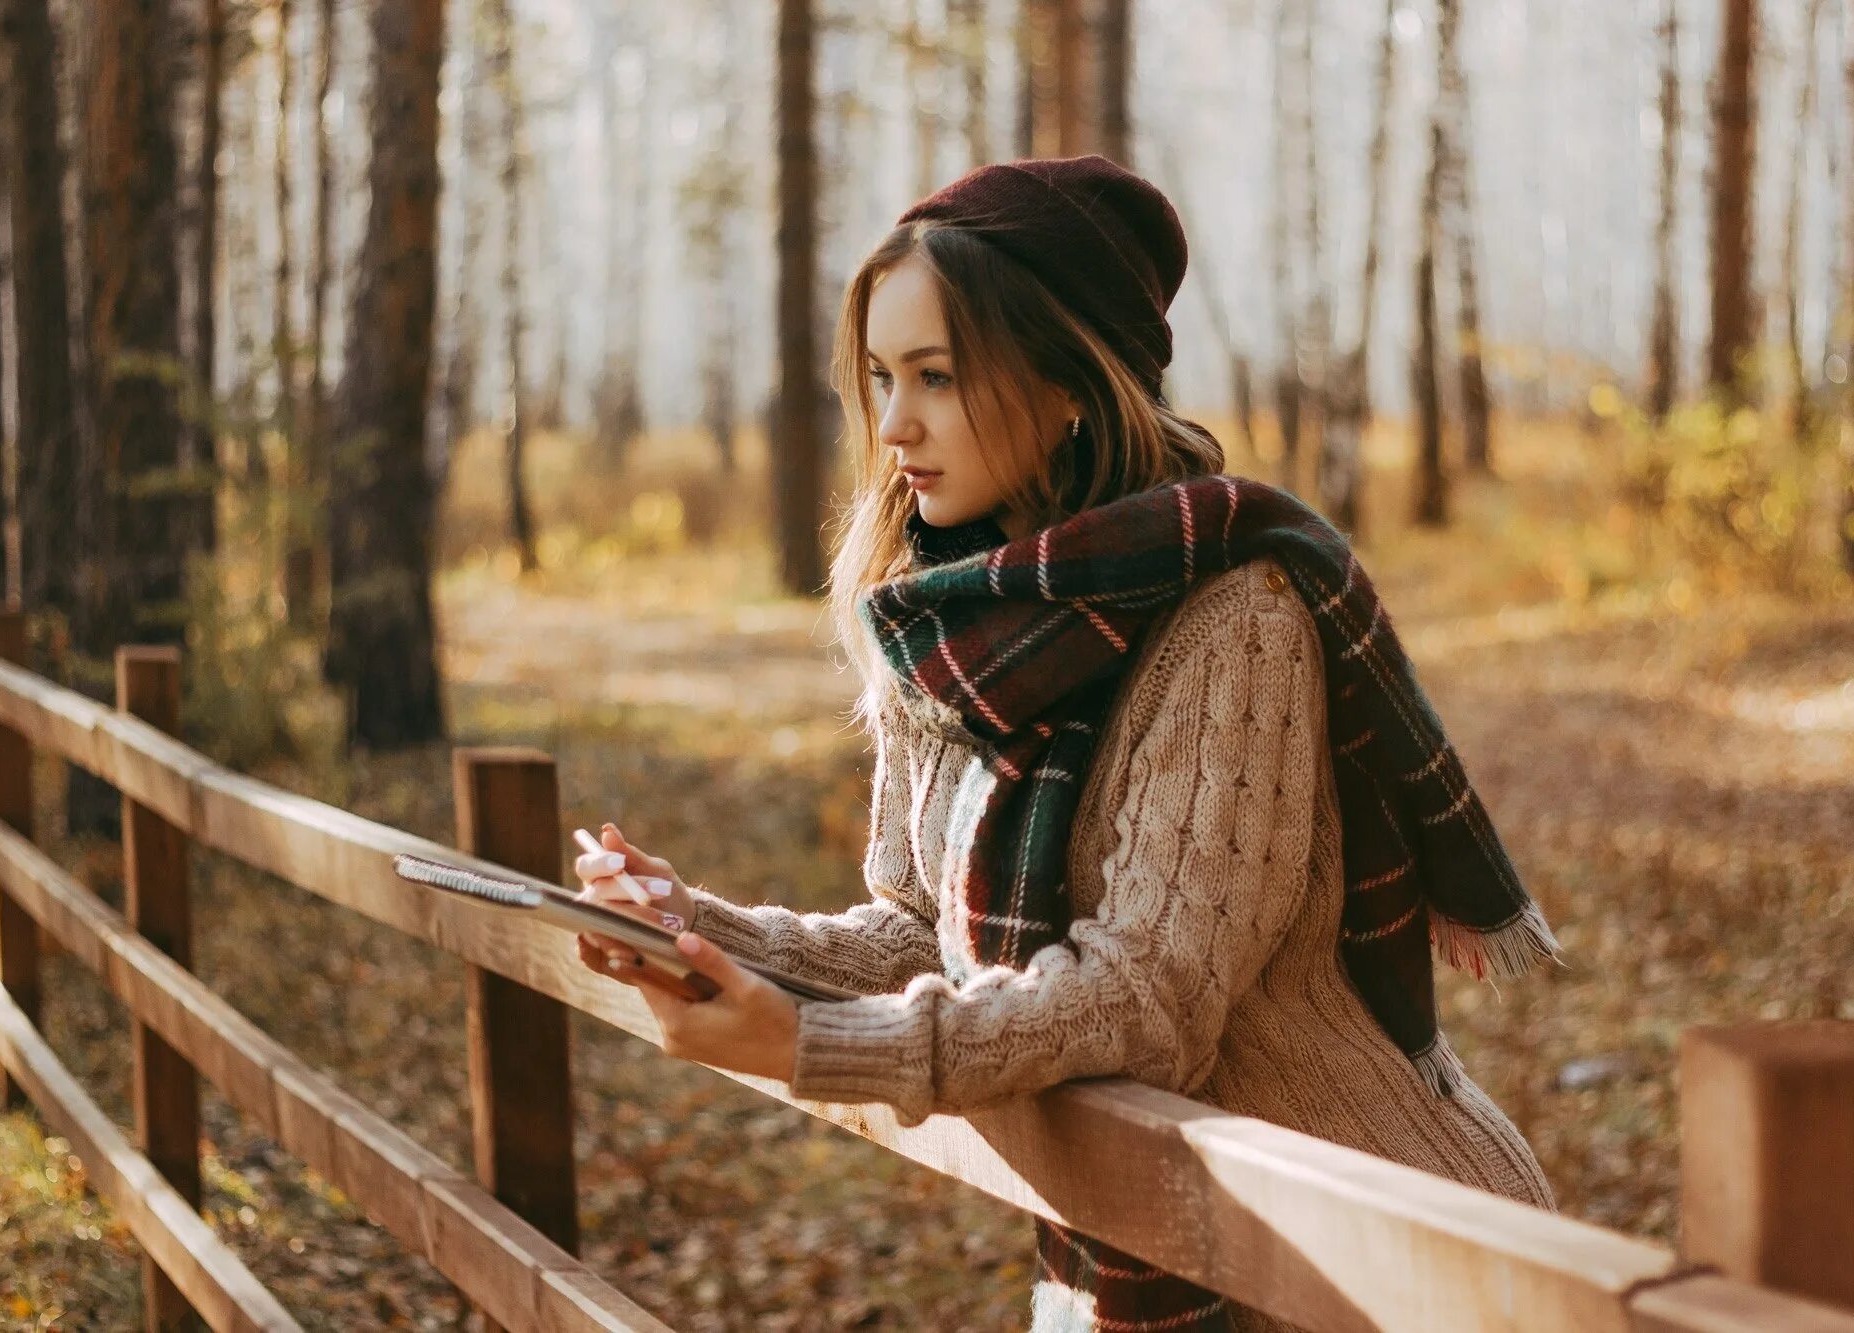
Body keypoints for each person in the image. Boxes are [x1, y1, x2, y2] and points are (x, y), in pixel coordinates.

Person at [572, 155, 1559, 1333]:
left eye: (935, 375)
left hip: (1366, 1257)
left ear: (1070, 382)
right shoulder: (946, 622)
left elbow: (1148, 995)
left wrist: (818, 1044)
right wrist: (693, 928)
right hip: (1134, 1241)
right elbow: (914, 933)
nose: (892, 424)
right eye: (882, 376)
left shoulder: (1230, 616)